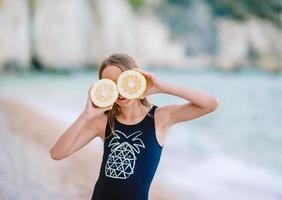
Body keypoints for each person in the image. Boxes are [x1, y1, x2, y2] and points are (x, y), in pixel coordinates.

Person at [49, 53, 219, 200]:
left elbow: (210, 104)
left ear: (134, 79)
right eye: (110, 85)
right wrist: (86, 115)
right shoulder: (102, 121)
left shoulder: (160, 118)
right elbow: (57, 153)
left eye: (122, 81)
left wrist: (161, 86)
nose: (119, 90)